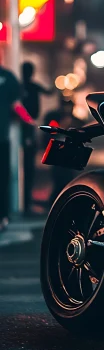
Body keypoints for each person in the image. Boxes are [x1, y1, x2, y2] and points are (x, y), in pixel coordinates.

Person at [0, 54, 34, 231]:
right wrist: (29, 120)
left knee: (3, 178)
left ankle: (3, 217)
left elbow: (16, 104)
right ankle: (3, 217)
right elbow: (16, 105)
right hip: (2, 138)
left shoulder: (7, 77)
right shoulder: (7, 78)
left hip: (2, 138)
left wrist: (28, 120)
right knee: (3, 178)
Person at [21, 62, 53, 213]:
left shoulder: (25, 86)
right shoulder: (30, 87)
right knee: (28, 166)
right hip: (27, 126)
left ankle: (25, 200)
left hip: (27, 126)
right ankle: (25, 200)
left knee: (27, 165)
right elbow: (49, 92)